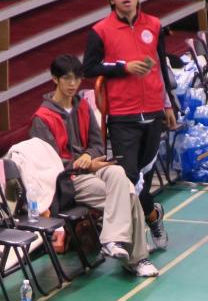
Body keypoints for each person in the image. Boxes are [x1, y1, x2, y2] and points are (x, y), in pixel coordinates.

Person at [30, 54, 159, 279]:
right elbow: (47, 163)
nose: (73, 84)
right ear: (55, 79)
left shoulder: (83, 107)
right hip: (68, 180)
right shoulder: (42, 118)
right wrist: (81, 165)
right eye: (67, 78)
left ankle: (112, 240)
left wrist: (89, 158)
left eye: (77, 78)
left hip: (93, 168)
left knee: (117, 172)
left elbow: (98, 145)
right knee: (129, 194)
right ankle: (137, 258)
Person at [83, 0, 172, 251]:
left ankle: (152, 216)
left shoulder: (154, 25)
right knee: (130, 177)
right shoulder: (100, 31)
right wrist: (124, 68)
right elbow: (89, 68)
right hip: (123, 115)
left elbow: (162, 66)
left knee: (143, 176)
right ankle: (133, 239)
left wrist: (168, 104)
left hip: (154, 112)